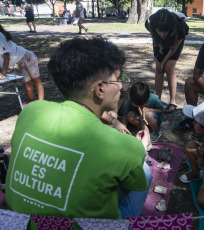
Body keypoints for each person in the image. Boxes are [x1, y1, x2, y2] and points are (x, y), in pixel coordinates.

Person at [5, 37, 152, 226]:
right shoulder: (125, 146)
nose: (122, 86)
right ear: (100, 88)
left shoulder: (31, 111)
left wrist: (112, 120)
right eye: (118, 80)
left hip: (22, 223)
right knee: (144, 171)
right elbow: (135, 185)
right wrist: (142, 150)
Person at [145, 9, 189, 113]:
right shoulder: (151, 23)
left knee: (169, 68)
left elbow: (174, 48)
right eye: (159, 31)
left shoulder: (179, 27)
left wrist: (164, 61)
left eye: (165, 31)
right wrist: (160, 46)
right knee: (158, 69)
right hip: (158, 41)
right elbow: (155, 37)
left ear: (170, 28)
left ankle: (172, 102)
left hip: (174, 41)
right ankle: (157, 101)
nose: (162, 34)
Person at [0, 25, 44, 102]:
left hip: (28, 57)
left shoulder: (0, 36)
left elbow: (6, 56)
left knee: (36, 80)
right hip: (20, 61)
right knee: (27, 84)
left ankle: (41, 103)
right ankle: (32, 101)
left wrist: (3, 73)